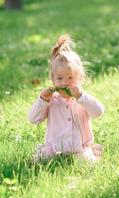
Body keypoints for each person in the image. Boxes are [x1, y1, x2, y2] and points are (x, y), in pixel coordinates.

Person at [28, 34, 105, 163]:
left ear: (80, 78)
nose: (65, 83)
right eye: (60, 78)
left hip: (80, 147)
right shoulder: (51, 100)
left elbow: (98, 112)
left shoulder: (82, 99)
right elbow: (33, 119)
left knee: (87, 163)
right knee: (40, 160)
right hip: (54, 147)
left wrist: (81, 96)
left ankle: (89, 154)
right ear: (53, 80)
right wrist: (42, 100)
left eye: (70, 78)